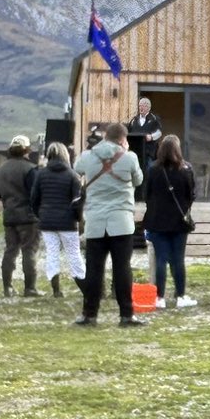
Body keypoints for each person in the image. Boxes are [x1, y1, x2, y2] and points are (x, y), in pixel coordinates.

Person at [72, 121, 142, 326]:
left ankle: (89, 314)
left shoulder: (88, 156)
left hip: (95, 221)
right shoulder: (129, 157)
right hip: (121, 221)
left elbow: (77, 168)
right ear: (123, 139)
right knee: (122, 269)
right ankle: (126, 315)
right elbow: (138, 180)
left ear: (105, 137)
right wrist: (124, 152)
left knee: (94, 269)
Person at [143, 134, 198, 309]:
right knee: (178, 259)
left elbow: (147, 195)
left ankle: (160, 297)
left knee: (161, 259)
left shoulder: (153, 169)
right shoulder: (186, 169)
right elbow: (191, 195)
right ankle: (180, 295)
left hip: (158, 220)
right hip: (179, 222)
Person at [29, 141, 83, 297]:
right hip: (68, 221)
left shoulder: (41, 174)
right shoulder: (73, 175)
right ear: (65, 155)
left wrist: (40, 215)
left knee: (52, 254)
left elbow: (34, 199)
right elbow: (77, 201)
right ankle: (84, 287)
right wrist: (78, 219)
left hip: (47, 221)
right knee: (74, 254)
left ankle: (56, 289)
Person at [0, 136, 40, 297]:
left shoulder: (0, 169)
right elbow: (35, 194)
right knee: (29, 250)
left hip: (9, 215)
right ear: (27, 150)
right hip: (28, 217)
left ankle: (7, 287)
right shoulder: (31, 169)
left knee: (10, 250)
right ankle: (30, 288)